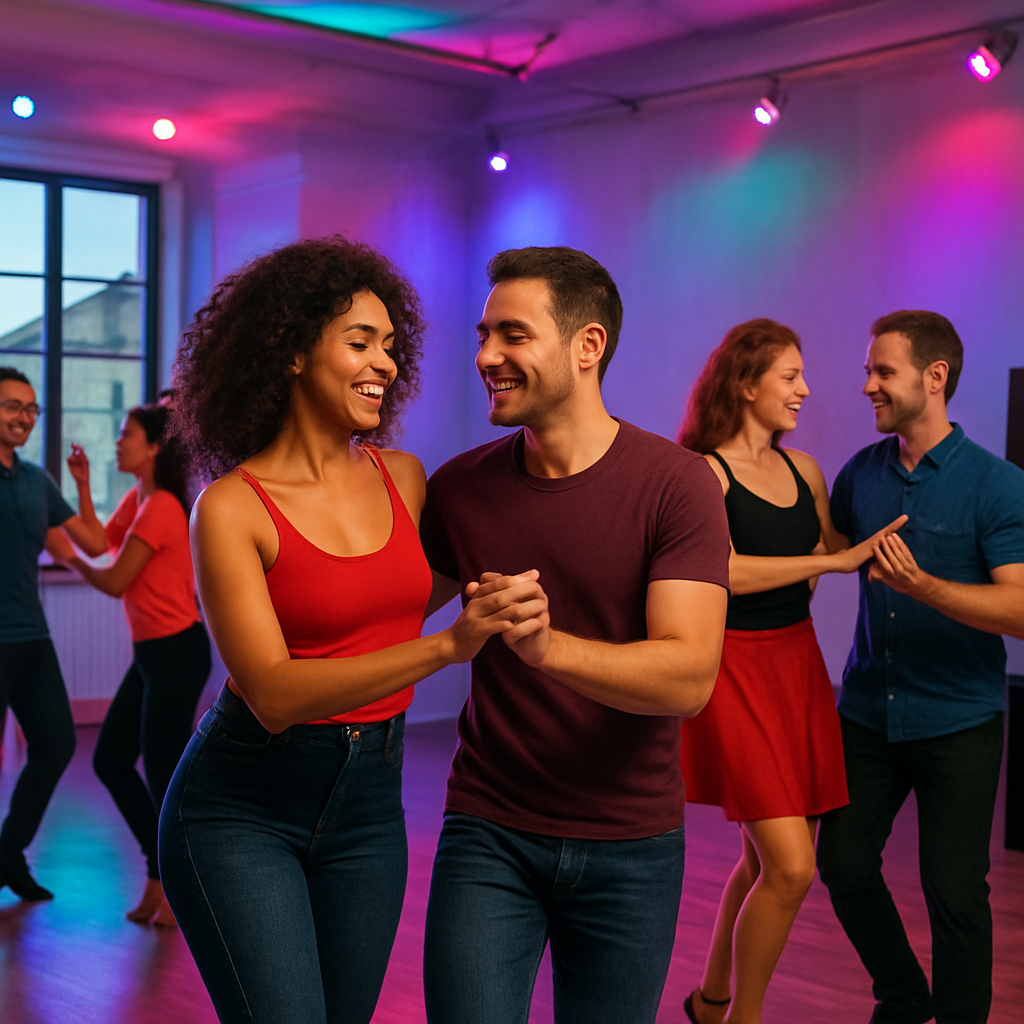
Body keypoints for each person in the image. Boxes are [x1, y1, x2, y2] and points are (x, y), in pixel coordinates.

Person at [157, 236, 546, 1024]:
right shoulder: (231, 507)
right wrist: (450, 648)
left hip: (370, 802)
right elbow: (272, 693)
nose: (386, 365)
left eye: (391, 347)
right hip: (241, 804)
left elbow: (402, 600)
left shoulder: (401, 479)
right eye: (360, 343)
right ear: (294, 351)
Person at [419, 246, 732, 1024]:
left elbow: (689, 678)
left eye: (513, 335)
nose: (487, 356)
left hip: (631, 844)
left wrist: (547, 648)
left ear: (587, 346)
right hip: (488, 831)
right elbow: (384, 617)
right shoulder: (459, 488)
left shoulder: (677, 483)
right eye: (484, 334)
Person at [675, 320, 906, 1024]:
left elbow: (848, 550)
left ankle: (711, 1002)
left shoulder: (803, 469)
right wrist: (828, 562)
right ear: (745, 385)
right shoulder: (702, 473)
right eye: (790, 376)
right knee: (792, 867)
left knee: (760, 862)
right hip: (734, 672)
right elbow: (716, 571)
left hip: (796, 665)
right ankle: (744, 1017)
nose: (805, 390)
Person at [816, 310, 1024, 1024]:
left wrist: (924, 586)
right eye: (869, 369)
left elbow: (1021, 612)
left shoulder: (998, 487)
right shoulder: (858, 476)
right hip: (867, 714)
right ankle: (904, 998)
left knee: (955, 892)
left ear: (934, 378)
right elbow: (817, 561)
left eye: (883, 372)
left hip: (959, 722)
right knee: (842, 865)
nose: (867, 384)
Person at [49, 403, 211, 926]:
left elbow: (115, 578)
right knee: (111, 760)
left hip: (177, 654)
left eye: (127, 434)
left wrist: (66, 557)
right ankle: (158, 875)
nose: (118, 442)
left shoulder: (163, 506)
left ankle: (180, 888)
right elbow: (100, 540)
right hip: (152, 656)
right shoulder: (137, 500)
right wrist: (82, 483)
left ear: (154, 446)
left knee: (164, 773)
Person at [0, 366, 108, 900]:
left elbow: (92, 542)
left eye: (30, 409)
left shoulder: (35, 479)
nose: (23, 416)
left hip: (30, 635)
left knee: (57, 742)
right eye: (12, 406)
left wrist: (83, 483)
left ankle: (7, 852)